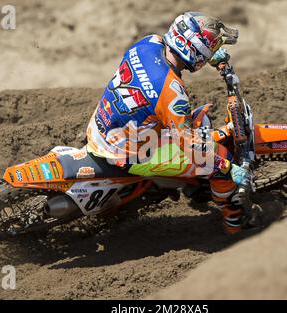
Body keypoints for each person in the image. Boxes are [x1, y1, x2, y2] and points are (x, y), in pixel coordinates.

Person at [86, 12, 253, 234]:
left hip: (104, 125)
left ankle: (190, 186)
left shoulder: (147, 43)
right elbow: (192, 147)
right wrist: (228, 167)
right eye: (209, 48)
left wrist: (208, 55)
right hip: (127, 152)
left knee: (198, 121)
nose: (210, 53)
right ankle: (236, 223)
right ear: (195, 51)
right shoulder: (173, 94)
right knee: (219, 163)